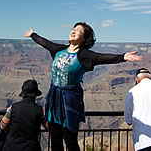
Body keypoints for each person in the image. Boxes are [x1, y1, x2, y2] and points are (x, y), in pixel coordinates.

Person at [24, 22, 143, 151]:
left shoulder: (84, 55)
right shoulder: (59, 50)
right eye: (73, 29)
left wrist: (123, 57)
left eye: (78, 30)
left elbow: (102, 57)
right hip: (54, 102)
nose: (73, 31)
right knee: (55, 141)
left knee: (70, 141)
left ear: (85, 38)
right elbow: (45, 43)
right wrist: (33, 35)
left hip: (70, 102)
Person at [0, 79, 47, 151]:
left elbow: (3, 126)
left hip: (11, 147)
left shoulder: (13, 108)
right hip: (31, 148)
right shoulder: (40, 111)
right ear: (35, 95)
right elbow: (49, 127)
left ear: (23, 94)